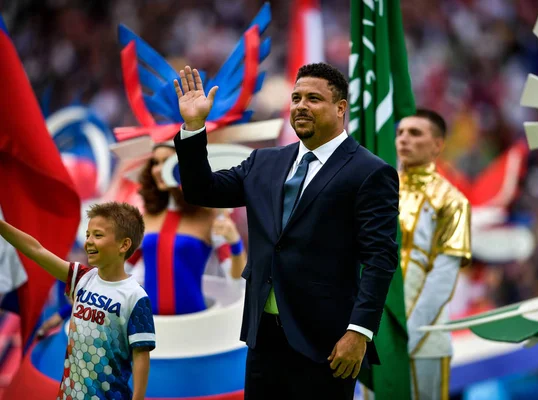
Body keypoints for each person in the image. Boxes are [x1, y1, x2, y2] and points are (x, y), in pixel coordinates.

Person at [172, 63, 399, 399]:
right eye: (296, 98)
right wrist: (193, 127)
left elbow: (380, 258)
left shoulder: (370, 172)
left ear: (340, 108)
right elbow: (201, 190)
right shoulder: (263, 162)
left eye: (313, 98)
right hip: (263, 338)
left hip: (327, 344)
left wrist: (359, 332)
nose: (301, 105)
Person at [0, 202, 155, 400]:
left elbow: (141, 354)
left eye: (97, 235)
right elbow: (35, 250)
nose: (88, 242)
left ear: (124, 245)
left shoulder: (135, 296)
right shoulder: (81, 277)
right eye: (88, 235)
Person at [395, 109, 471, 400]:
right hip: (374, 335)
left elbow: (443, 277)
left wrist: (408, 336)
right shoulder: (378, 191)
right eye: (400, 132)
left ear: (437, 145)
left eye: (415, 133)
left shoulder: (453, 202)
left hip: (426, 339)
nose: (403, 139)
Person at [135, 141, 247, 315]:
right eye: (155, 163)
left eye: (167, 161)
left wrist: (235, 242)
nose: (158, 169)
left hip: (194, 324)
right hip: (151, 324)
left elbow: (237, 280)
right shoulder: (147, 217)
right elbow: (125, 271)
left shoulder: (210, 215)